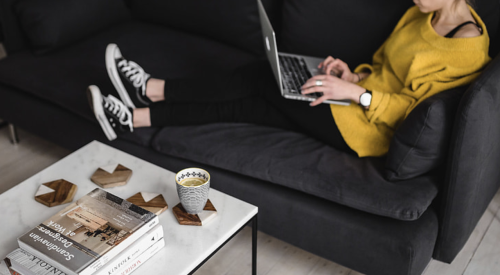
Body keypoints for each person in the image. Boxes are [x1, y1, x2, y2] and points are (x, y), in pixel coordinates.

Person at [87, 0, 490, 157]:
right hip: (355, 98)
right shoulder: (425, 11)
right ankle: (135, 116)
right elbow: (385, 66)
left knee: (265, 77)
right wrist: (352, 75)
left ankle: (149, 91)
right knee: (253, 103)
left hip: (369, 129)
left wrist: (356, 94)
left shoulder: (467, 46)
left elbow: (417, 115)